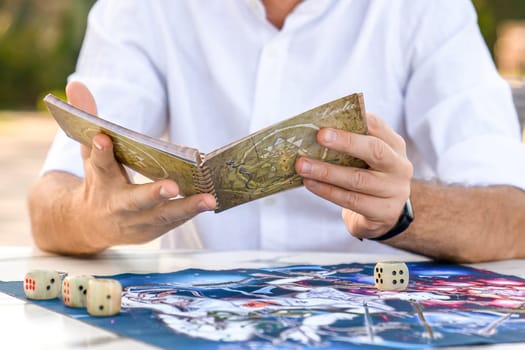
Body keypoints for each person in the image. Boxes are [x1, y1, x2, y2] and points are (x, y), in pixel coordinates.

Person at [28, 0, 525, 262]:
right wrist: (94, 217)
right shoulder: (143, 7)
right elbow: (49, 206)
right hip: (201, 322)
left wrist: (403, 212)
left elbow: (514, 216)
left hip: (377, 316)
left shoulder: (426, 9)